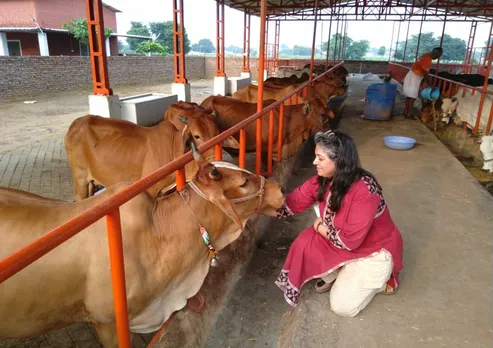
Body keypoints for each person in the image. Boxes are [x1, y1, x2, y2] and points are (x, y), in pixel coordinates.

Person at [267, 130, 403, 317]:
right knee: (304, 242)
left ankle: (383, 279)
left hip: (372, 251)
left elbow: (349, 242)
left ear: (339, 162)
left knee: (342, 307)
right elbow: (291, 203)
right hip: (342, 238)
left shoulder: (365, 192)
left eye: (320, 158)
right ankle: (341, 269)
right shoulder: (324, 180)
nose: (314, 162)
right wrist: (252, 206)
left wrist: (319, 227)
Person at [402, 47, 443, 119]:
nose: (437, 58)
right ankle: (408, 114)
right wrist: (429, 84)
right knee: (412, 97)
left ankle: (405, 112)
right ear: (437, 54)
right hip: (415, 76)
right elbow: (425, 73)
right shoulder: (428, 60)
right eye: (438, 56)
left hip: (412, 74)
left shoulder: (425, 55)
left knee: (409, 96)